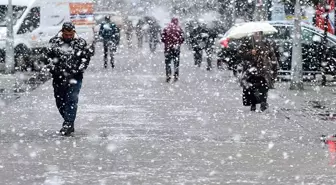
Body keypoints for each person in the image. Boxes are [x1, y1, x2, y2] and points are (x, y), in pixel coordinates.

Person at [46, 22, 94, 136]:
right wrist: (53, 69)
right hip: (59, 78)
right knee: (60, 101)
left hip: (75, 77)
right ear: (62, 32)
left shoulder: (80, 43)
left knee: (71, 100)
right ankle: (68, 121)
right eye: (66, 34)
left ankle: (68, 123)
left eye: (70, 34)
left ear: (74, 32)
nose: (68, 37)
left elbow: (85, 58)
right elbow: (48, 58)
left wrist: (79, 69)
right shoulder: (54, 42)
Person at [239, 31, 277, 112]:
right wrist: (250, 53)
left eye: (259, 34)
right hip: (251, 69)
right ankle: (253, 104)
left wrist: (274, 66)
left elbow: (272, 55)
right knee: (251, 87)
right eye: (255, 33)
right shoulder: (248, 42)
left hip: (264, 69)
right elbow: (241, 54)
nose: (257, 35)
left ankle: (263, 103)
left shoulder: (266, 43)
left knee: (264, 86)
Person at [161, 18, 184, 82]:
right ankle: (176, 76)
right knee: (176, 62)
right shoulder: (179, 28)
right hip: (176, 48)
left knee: (168, 62)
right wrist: (178, 43)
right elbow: (182, 38)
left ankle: (168, 75)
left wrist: (167, 43)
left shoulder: (167, 28)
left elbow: (162, 38)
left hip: (168, 48)